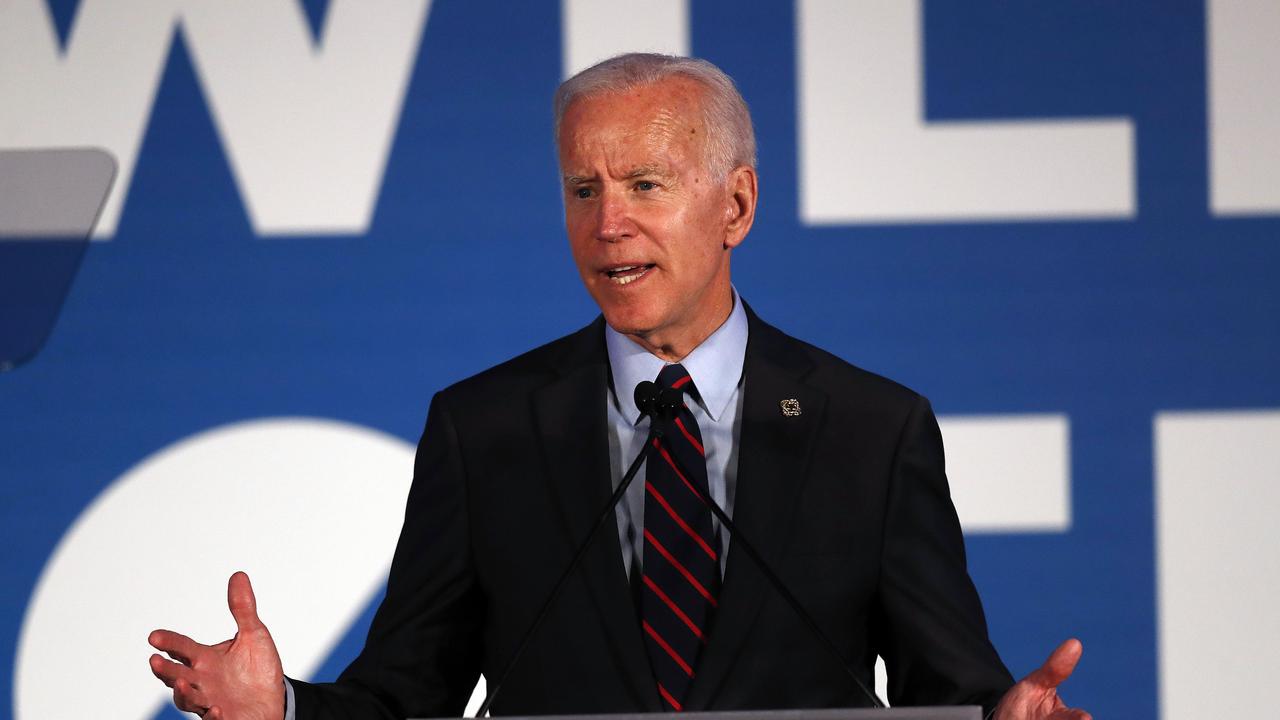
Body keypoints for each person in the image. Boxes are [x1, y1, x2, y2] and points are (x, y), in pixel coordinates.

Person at [148, 53, 1092, 720]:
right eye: (582, 189)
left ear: (737, 205)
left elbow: (948, 691)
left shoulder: (871, 429)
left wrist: (1001, 718)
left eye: (645, 184)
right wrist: (280, 711)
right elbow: (404, 697)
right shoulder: (485, 431)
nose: (608, 225)